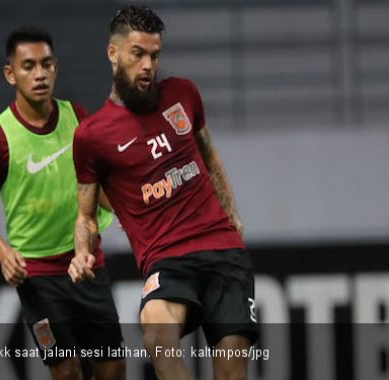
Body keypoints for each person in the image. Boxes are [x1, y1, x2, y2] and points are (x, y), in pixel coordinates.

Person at [70, 6, 258, 380]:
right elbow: (86, 215)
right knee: (157, 337)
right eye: (137, 53)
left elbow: (210, 157)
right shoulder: (91, 136)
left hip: (222, 251)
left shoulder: (183, 94)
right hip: (168, 261)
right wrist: (81, 252)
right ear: (113, 53)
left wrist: (233, 215)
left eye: (154, 55)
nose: (147, 66)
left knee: (232, 370)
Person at [0, 26, 125, 380]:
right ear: (10, 73)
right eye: (28, 66)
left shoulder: (77, 118)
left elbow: (97, 185)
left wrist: (126, 210)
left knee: (112, 369)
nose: (39, 74)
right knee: (67, 372)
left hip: (86, 262)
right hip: (37, 276)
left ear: (56, 67)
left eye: (46, 64)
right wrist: (3, 252)